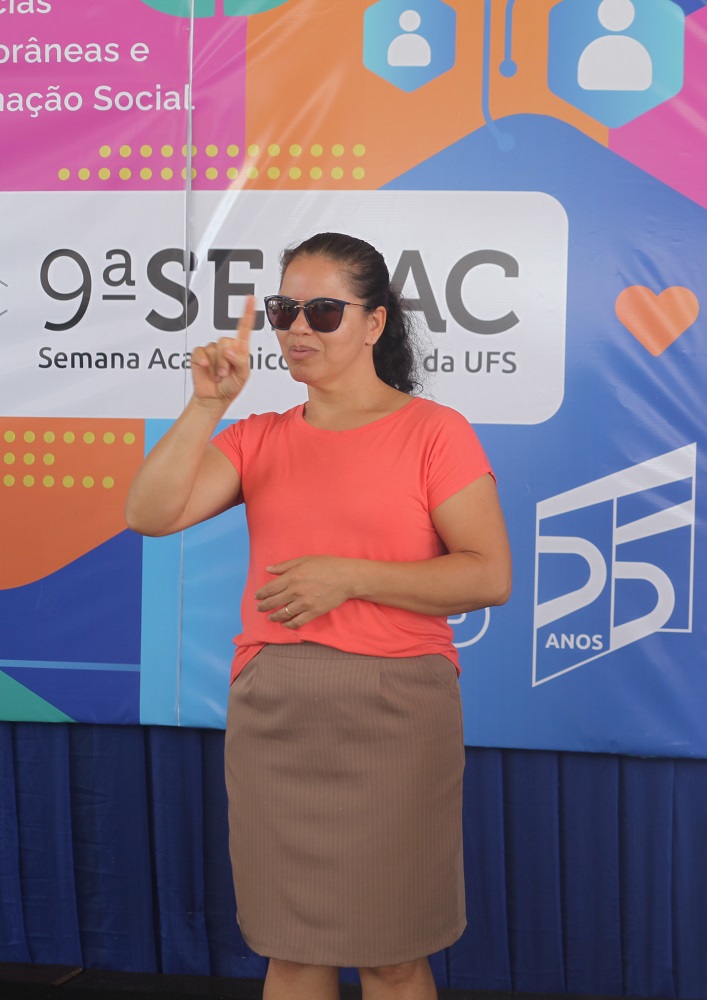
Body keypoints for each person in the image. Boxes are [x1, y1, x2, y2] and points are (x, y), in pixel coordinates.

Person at [125, 233, 512, 1000]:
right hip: (276, 713)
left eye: (323, 311)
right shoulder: (259, 435)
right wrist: (208, 405)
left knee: (393, 955)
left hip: (398, 711)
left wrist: (352, 578)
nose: (297, 328)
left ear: (374, 323)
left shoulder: (434, 433)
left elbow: (489, 575)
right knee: (292, 950)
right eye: (284, 310)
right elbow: (149, 512)